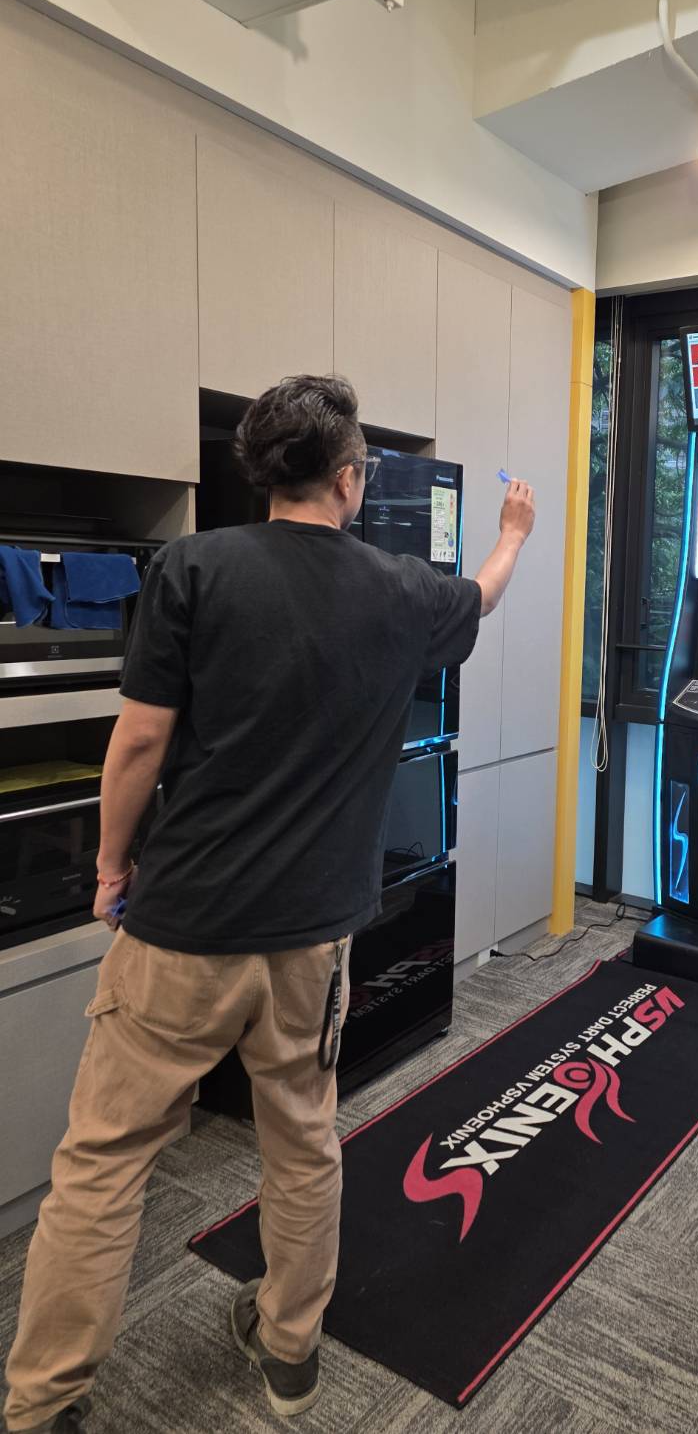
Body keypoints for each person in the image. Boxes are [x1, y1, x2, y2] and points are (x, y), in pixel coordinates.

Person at [2, 375, 536, 1433]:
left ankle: (43, 1401)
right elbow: (479, 598)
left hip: (183, 927)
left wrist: (108, 867)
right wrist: (513, 532)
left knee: (105, 1160)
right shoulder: (400, 587)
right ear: (350, 479)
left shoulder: (194, 567)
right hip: (313, 941)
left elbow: (140, 741)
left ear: (263, 476)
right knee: (302, 1145)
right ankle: (290, 1352)